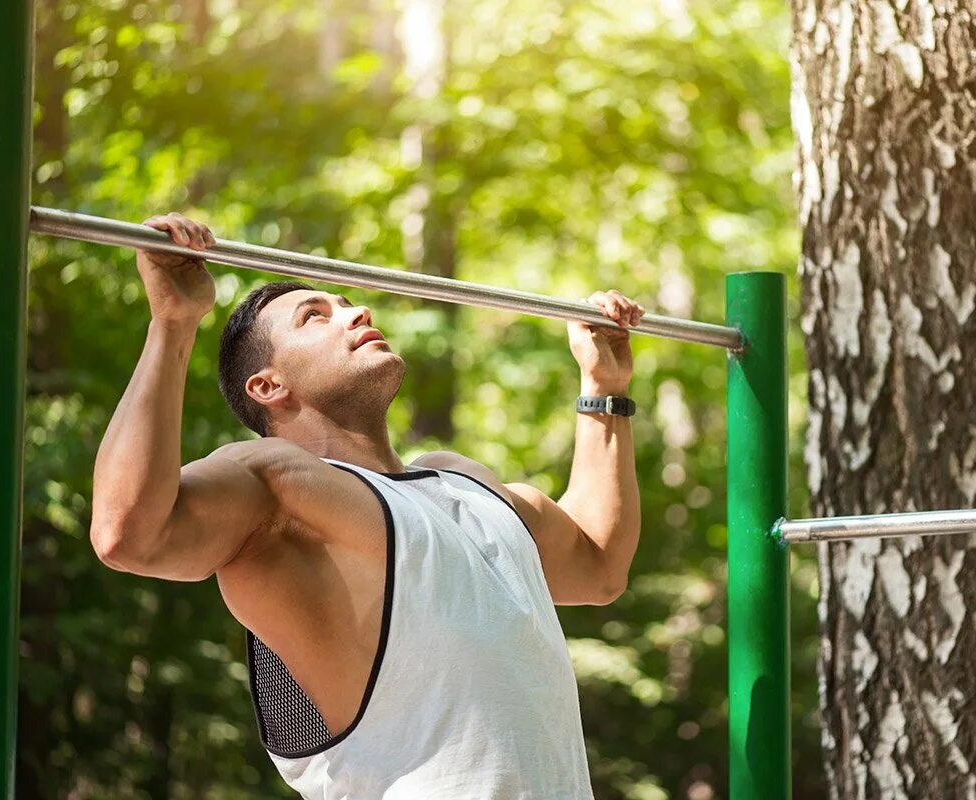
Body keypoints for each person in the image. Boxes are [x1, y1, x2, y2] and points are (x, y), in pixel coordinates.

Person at [89, 212, 645, 799]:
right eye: (315, 317)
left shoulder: (466, 482)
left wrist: (603, 388)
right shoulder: (277, 481)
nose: (357, 313)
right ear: (268, 385)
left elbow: (599, 561)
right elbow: (128, 533)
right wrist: (172, 324)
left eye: (347, 302)